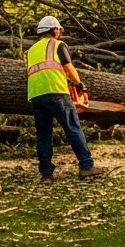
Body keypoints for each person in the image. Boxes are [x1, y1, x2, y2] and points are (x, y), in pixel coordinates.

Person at [26, 16, 105, 182]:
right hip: (57, 91)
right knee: (73, 128)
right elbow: (68, 67)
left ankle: (46, 174)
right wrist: (79, 83)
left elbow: (43, 69)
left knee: (43, 134)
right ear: (54, 30)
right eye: (59, 30)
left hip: (35, 95)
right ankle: (86, 165)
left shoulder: (31, 50)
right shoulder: (57, 44)